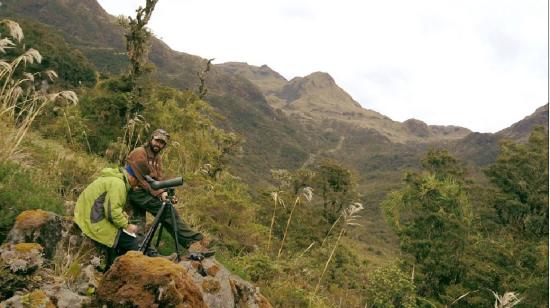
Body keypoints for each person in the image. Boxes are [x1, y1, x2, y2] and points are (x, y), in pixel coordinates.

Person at [125, 128, 212, 256]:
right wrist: (161, 193)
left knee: (138, 226)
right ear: (151, 139)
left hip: (145, 191)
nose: (158, 144)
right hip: (135, 191)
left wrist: (166, 193)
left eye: (162, 143)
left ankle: (143, 255)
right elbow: (144, 180)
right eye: (157, 141)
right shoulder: (139, 153)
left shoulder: (157, 157)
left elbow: (159, 178)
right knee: (166, 211)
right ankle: (194, 240)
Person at [73, 167, 144, 257]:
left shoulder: (113, 178)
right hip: (93, 222)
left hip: (84, 215)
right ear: (133, 178)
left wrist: (121, 214)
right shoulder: (119, 184)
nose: (137, 186)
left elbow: (107, 205)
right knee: (133, 243)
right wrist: (127, 225)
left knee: (125, 237)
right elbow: (112, 213)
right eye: (138, 182)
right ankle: (113, 267)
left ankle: (111, 264)